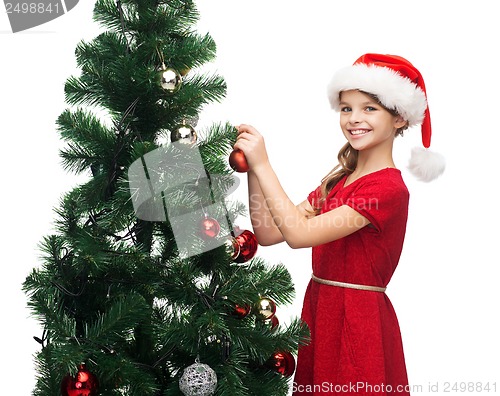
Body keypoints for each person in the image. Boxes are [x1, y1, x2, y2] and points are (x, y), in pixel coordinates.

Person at [233, 54, 444, 395]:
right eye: (346, 108)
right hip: (321, 313)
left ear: (400, 118)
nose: (354, 119)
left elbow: (300, 235)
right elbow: (270, 231)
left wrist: (265, 163)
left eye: (369, 109)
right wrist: (253, 169)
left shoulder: (386, 189)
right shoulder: (338, 181)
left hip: (357, 322)